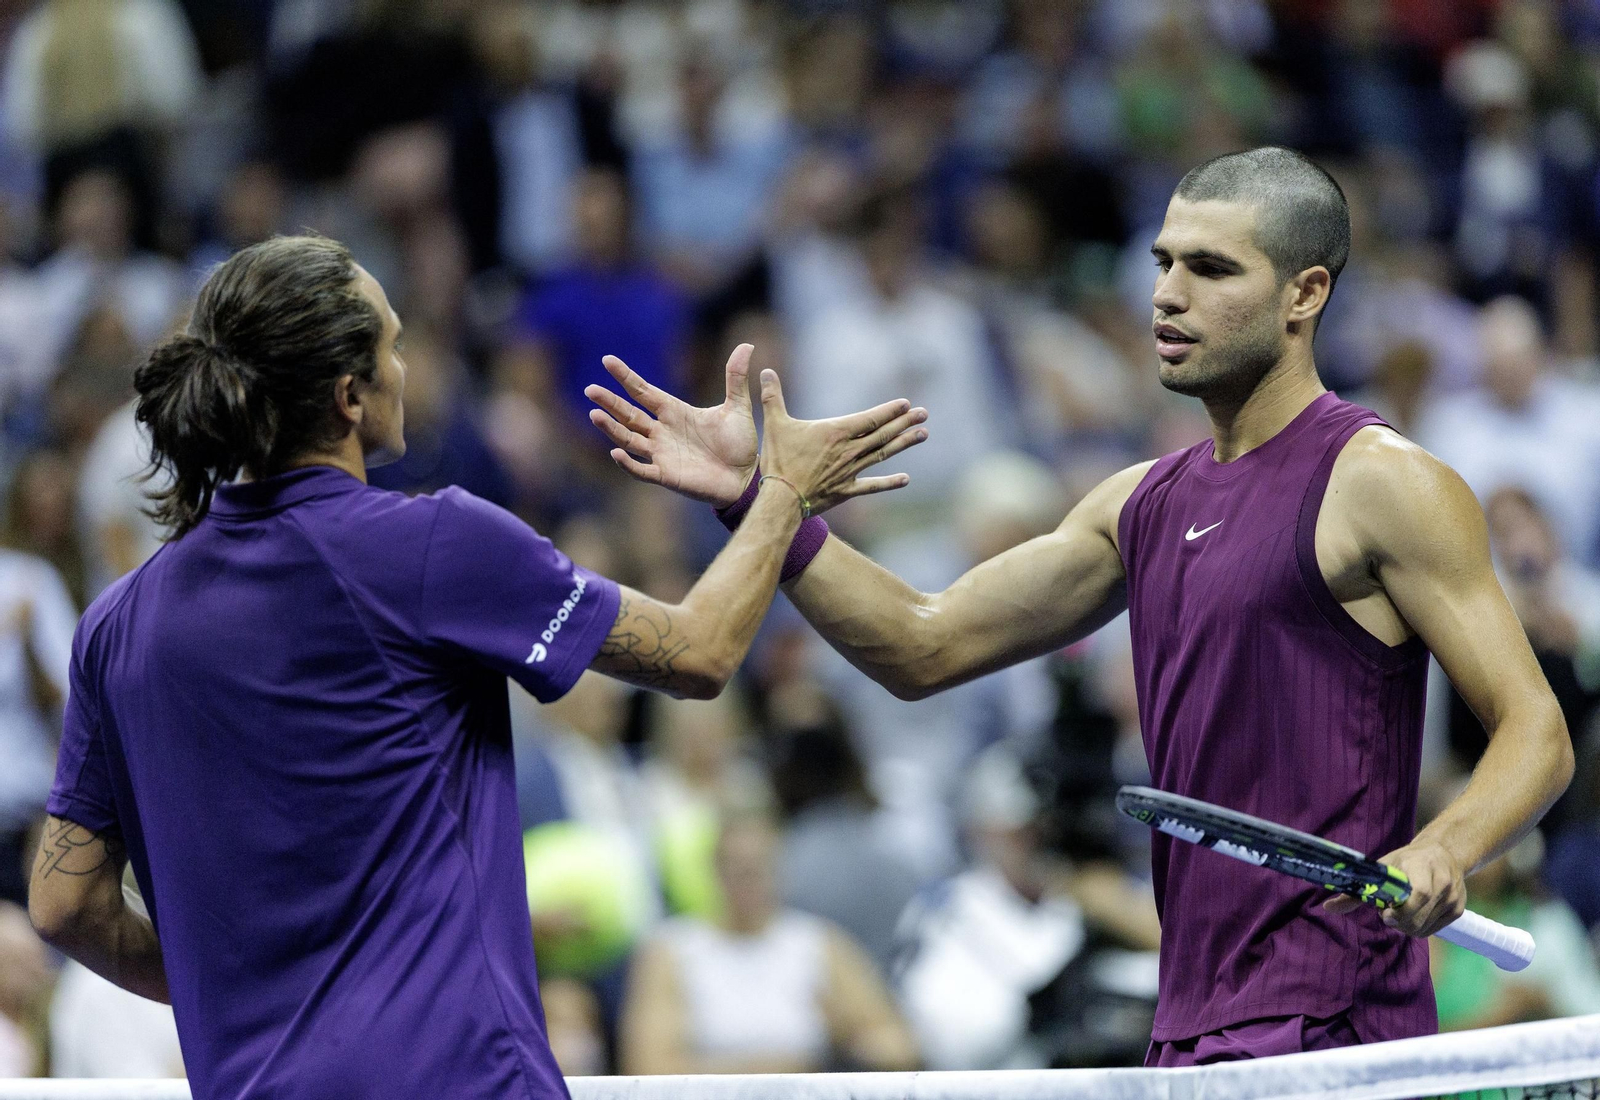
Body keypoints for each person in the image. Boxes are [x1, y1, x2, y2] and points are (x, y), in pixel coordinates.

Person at [585, 146, 1575, 1063]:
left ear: (1303, 293)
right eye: (1162, 263)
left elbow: (1534, 728)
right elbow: (921, 644)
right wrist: (760, 506)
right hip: (1183, 1028)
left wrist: (1446, 844)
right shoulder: (1135, 503)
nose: (1167, 295)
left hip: (1336, 1030)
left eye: (1212, 270)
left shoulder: (1385, 483)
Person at [24, 233, 927, 1100]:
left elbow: (64, 905)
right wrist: (780, 495)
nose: (409, 368)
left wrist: (246, 997)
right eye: (395, 345)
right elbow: (701, 651)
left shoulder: (115, 627)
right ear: (350, 395)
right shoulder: (432, 544)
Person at [619, 794, 918, 1075]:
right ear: (716, 869)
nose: (749, 882)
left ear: (778, 868)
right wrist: (786, 1066)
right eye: (738, 869)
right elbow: (648, 1068)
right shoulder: (673, 951)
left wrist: (845, 1041)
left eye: (759, 868)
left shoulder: (818, 945)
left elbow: (899, 1045)